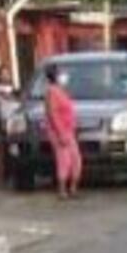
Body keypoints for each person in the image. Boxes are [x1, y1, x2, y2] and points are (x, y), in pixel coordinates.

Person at [43, 63, 82, 200]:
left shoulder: (61, 91)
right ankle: (62, 190)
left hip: (68, 130)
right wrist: (60, 133)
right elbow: (52, 114)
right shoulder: (52, 92)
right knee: (64, 160)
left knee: (75, 159)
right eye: (61, 73)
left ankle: (72, 188)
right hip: (60, 131)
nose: (64, 76)